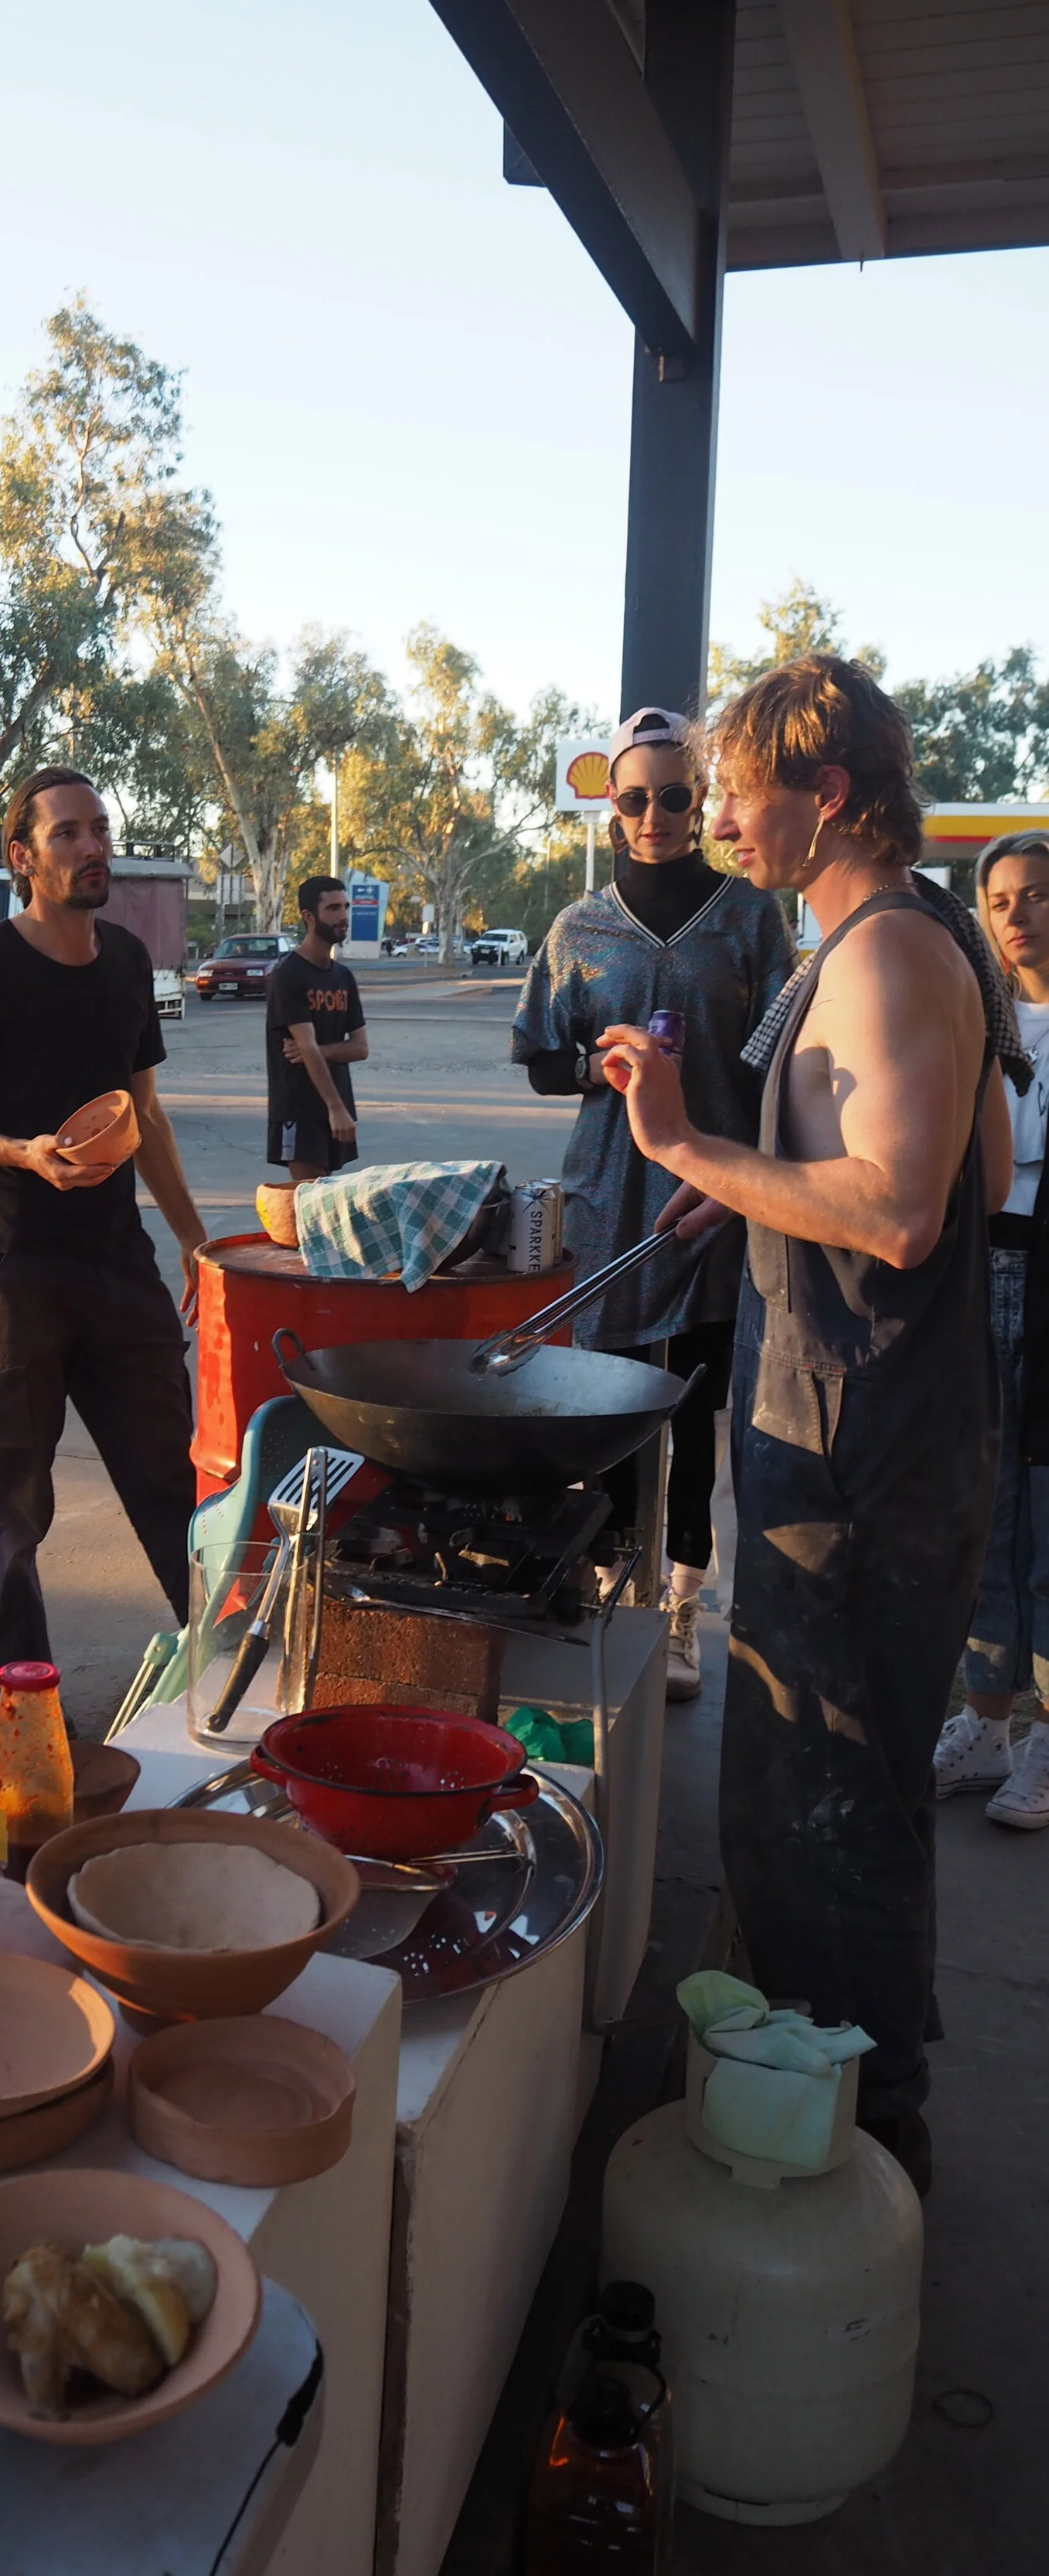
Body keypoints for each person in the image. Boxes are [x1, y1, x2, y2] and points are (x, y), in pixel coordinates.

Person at [600, 653, 1011, 2190]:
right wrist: (735, 1199)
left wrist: (689, 1143)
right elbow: (956, 1181)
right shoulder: (864, 938)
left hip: (860, 1443)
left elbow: (905, 1214)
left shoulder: (887, 951)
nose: (708, 811)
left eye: (730, 786)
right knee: (830, 1781)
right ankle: (851, 2065)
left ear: (822, 792)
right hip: (852, 1416)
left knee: (826, 1790)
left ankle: (848, 2122)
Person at [513, 709, 795, 1695]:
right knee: (609, 1399)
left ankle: (679, 1595)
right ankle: (609, 1584)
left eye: (674, 796)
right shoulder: (576, 927)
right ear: (610, 804)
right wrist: (601, 1061)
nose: (653, 815)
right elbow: (540, 1057)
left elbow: (781, 1064)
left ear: (699, 803)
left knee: (696, 1401)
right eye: (632, 798)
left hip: (713, 1187)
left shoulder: (752, 917)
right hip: (609, 1191)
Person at [0, 766, 206, 1708]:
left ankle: (225, 1663)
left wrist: (199, 1245)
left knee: (174, 1476)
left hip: (118, 1265)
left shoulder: (125, 961)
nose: (92, 848)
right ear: (23, 858)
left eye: (99, 830)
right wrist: (20, 1152)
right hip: (14, 1271)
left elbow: (146, 1116)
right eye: (69, 834)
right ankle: (20, 1709)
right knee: (11, 1508)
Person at [933, 832, 1049, 1828]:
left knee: (1045, 1519)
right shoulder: (984, 1013)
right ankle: (986, 1721)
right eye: (1002, 901)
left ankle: (1045, 1738)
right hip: (985, 1266)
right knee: (986, 1504)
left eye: (1038, 897)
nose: (1019, 918)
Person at [265, 876, 369, 1181]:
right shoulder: (289, 974)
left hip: (335, 1106)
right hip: (299, 1110)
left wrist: (320, 1051)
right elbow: (305, 1045)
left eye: (346, 907)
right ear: (308, 917)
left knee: (327, 1209)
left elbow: (360, 1048)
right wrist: (335, 1107)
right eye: (333, 908)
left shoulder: (343, 977)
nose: (344, 916)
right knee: (309, 1208)